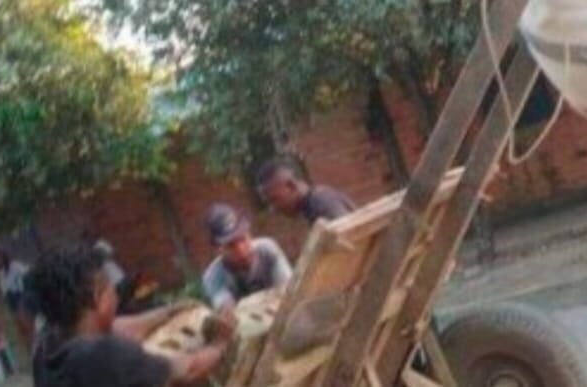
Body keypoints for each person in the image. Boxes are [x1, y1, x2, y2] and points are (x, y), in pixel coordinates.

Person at [26, 244, 230, 387]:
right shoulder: (105, 354)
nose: (115, 293)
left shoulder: (46, 347)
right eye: (110, 288)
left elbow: (115, 326)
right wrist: (220, 343)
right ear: (98, 296)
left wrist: (168, 312)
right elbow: (186, 371)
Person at [200, 204, 292, 315]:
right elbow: (227, 312)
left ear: (249, 234)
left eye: (243, 239)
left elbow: (289, 290)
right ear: (218, 250)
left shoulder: (267, 249)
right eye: (231, 245)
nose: (241, 249)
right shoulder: (213, 276)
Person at [255, 158, 356, 223]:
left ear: (291, 186)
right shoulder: (312, 206)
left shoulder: (320, 202)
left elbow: (352, 239)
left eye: (274, 199)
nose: (274, 209)